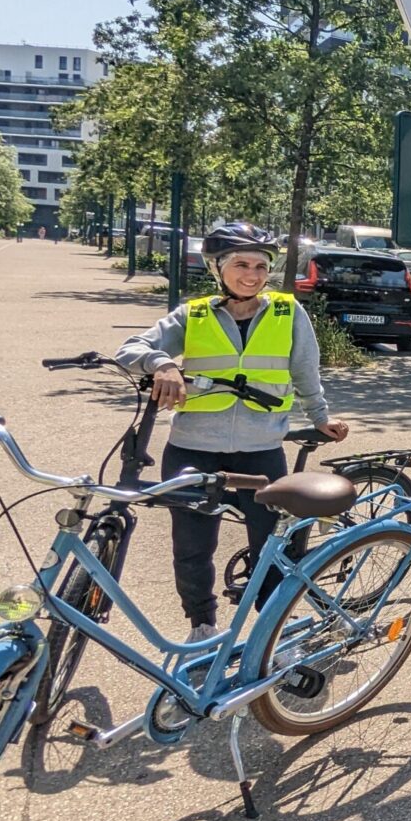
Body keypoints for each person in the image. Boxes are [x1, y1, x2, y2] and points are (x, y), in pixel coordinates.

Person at [115, 222, 349, 639]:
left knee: (272, 547)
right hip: (192, 448)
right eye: (241, 264)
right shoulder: (194, 314)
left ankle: (274, 630)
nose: (252, 275)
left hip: (261, 449)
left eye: (261, 266)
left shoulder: (286, 312)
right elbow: (130, 349)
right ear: (217, 268)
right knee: (191, 547)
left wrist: (320, 417)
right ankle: (202, 625)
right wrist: (162, 363)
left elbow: (305, 372)